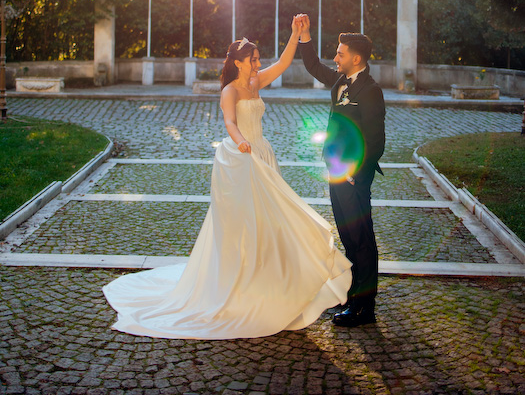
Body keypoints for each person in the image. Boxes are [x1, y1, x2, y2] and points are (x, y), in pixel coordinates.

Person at [103, 18, 352, 339]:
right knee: (244, 225)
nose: (258, 64)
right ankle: (240, 283)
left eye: (258, 59)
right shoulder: (230, 90)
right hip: (241, 158)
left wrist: (294, 35)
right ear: (238, 62)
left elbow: (285, 62)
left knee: (272, 221)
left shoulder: (256, 82)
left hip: (263, 155)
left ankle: (271, 281)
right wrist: (240, 142)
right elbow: (231, 123)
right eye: (253, 59)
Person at [297, 14, 385, 328]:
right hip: (337, 173)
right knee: (349, 239)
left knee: (362, 240)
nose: (335, 58)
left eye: (340, 53)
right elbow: (314, 67)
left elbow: (375, 140)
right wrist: (304, 36)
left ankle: (365, 309)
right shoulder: (340, 82)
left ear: (356, 58)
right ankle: (354, 299)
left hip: (352, 178)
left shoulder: (370, 91)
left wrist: (355, 175)